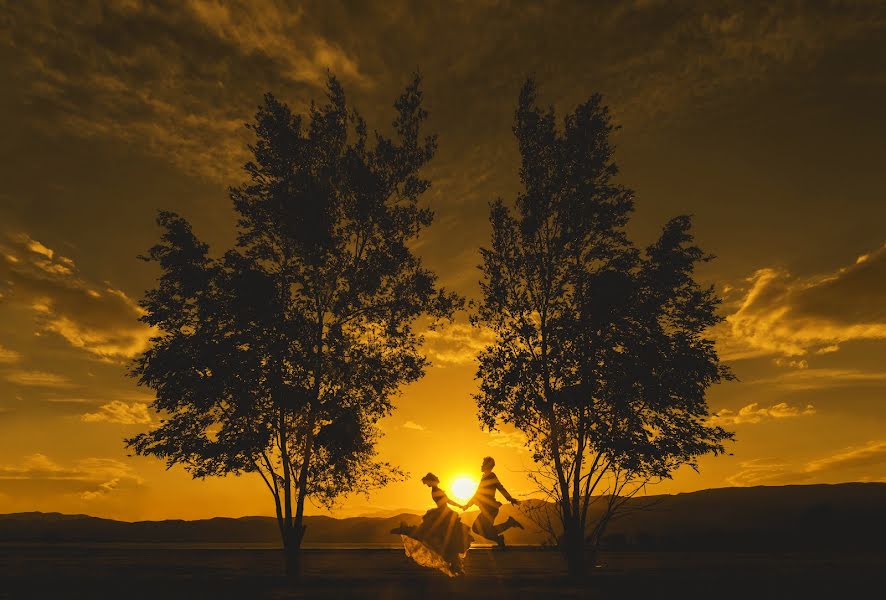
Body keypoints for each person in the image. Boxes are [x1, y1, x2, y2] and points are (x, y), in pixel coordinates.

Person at [390, 473, 473, 577]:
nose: (427, 484)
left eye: (427, 482)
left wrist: (460, 506)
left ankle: (406, 529)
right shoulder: (436, 490)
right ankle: (406, 530)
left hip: (444, 513)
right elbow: (447, 501)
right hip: (444, 513)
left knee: (440, 539)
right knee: (437, 538)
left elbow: (447, 501)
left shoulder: (436, 490)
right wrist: (460, 506)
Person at [463, 456, 523, 548]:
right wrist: (468, 505)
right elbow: (477, 495)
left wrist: (510, 498)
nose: (481, 466)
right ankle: (502, 535)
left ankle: (507, 526)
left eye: (483, 464)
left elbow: (500, 487)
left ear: (487, 465)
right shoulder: (485, 477)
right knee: (478, 529)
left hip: (491, 509)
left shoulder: (491, 476)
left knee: (479, 529)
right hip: (486, 509)